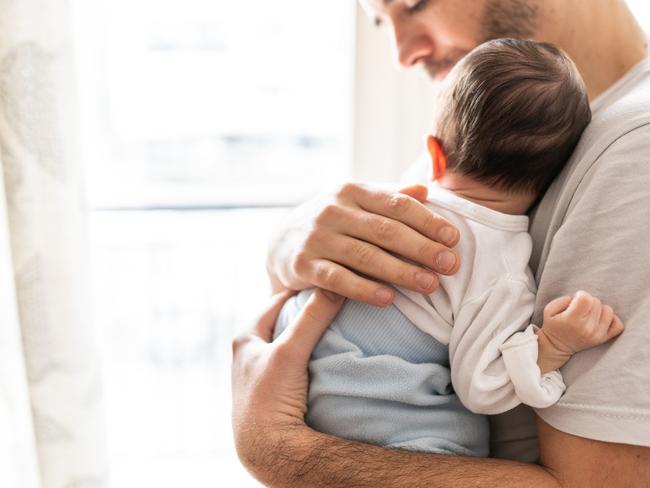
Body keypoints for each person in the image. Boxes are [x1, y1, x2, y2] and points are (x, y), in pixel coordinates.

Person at [232, 0, 650, 485]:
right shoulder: (505, 145)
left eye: (412, 4)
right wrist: (287, 246)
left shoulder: (634, 152)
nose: (402, 53)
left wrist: (277, 450)